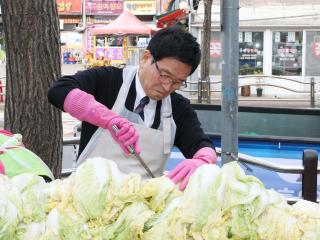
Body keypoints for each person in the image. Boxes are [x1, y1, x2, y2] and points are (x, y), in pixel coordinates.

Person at [48, 26, 217, 190]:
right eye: (164, 75)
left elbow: (200, 142)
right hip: (89, 198)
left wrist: (203, 160)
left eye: (177, 82)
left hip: (142, 208)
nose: (167, 87)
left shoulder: (178, 107)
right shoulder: (107, 81)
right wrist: (107, 119)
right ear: (145, 59)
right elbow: (59, 90)